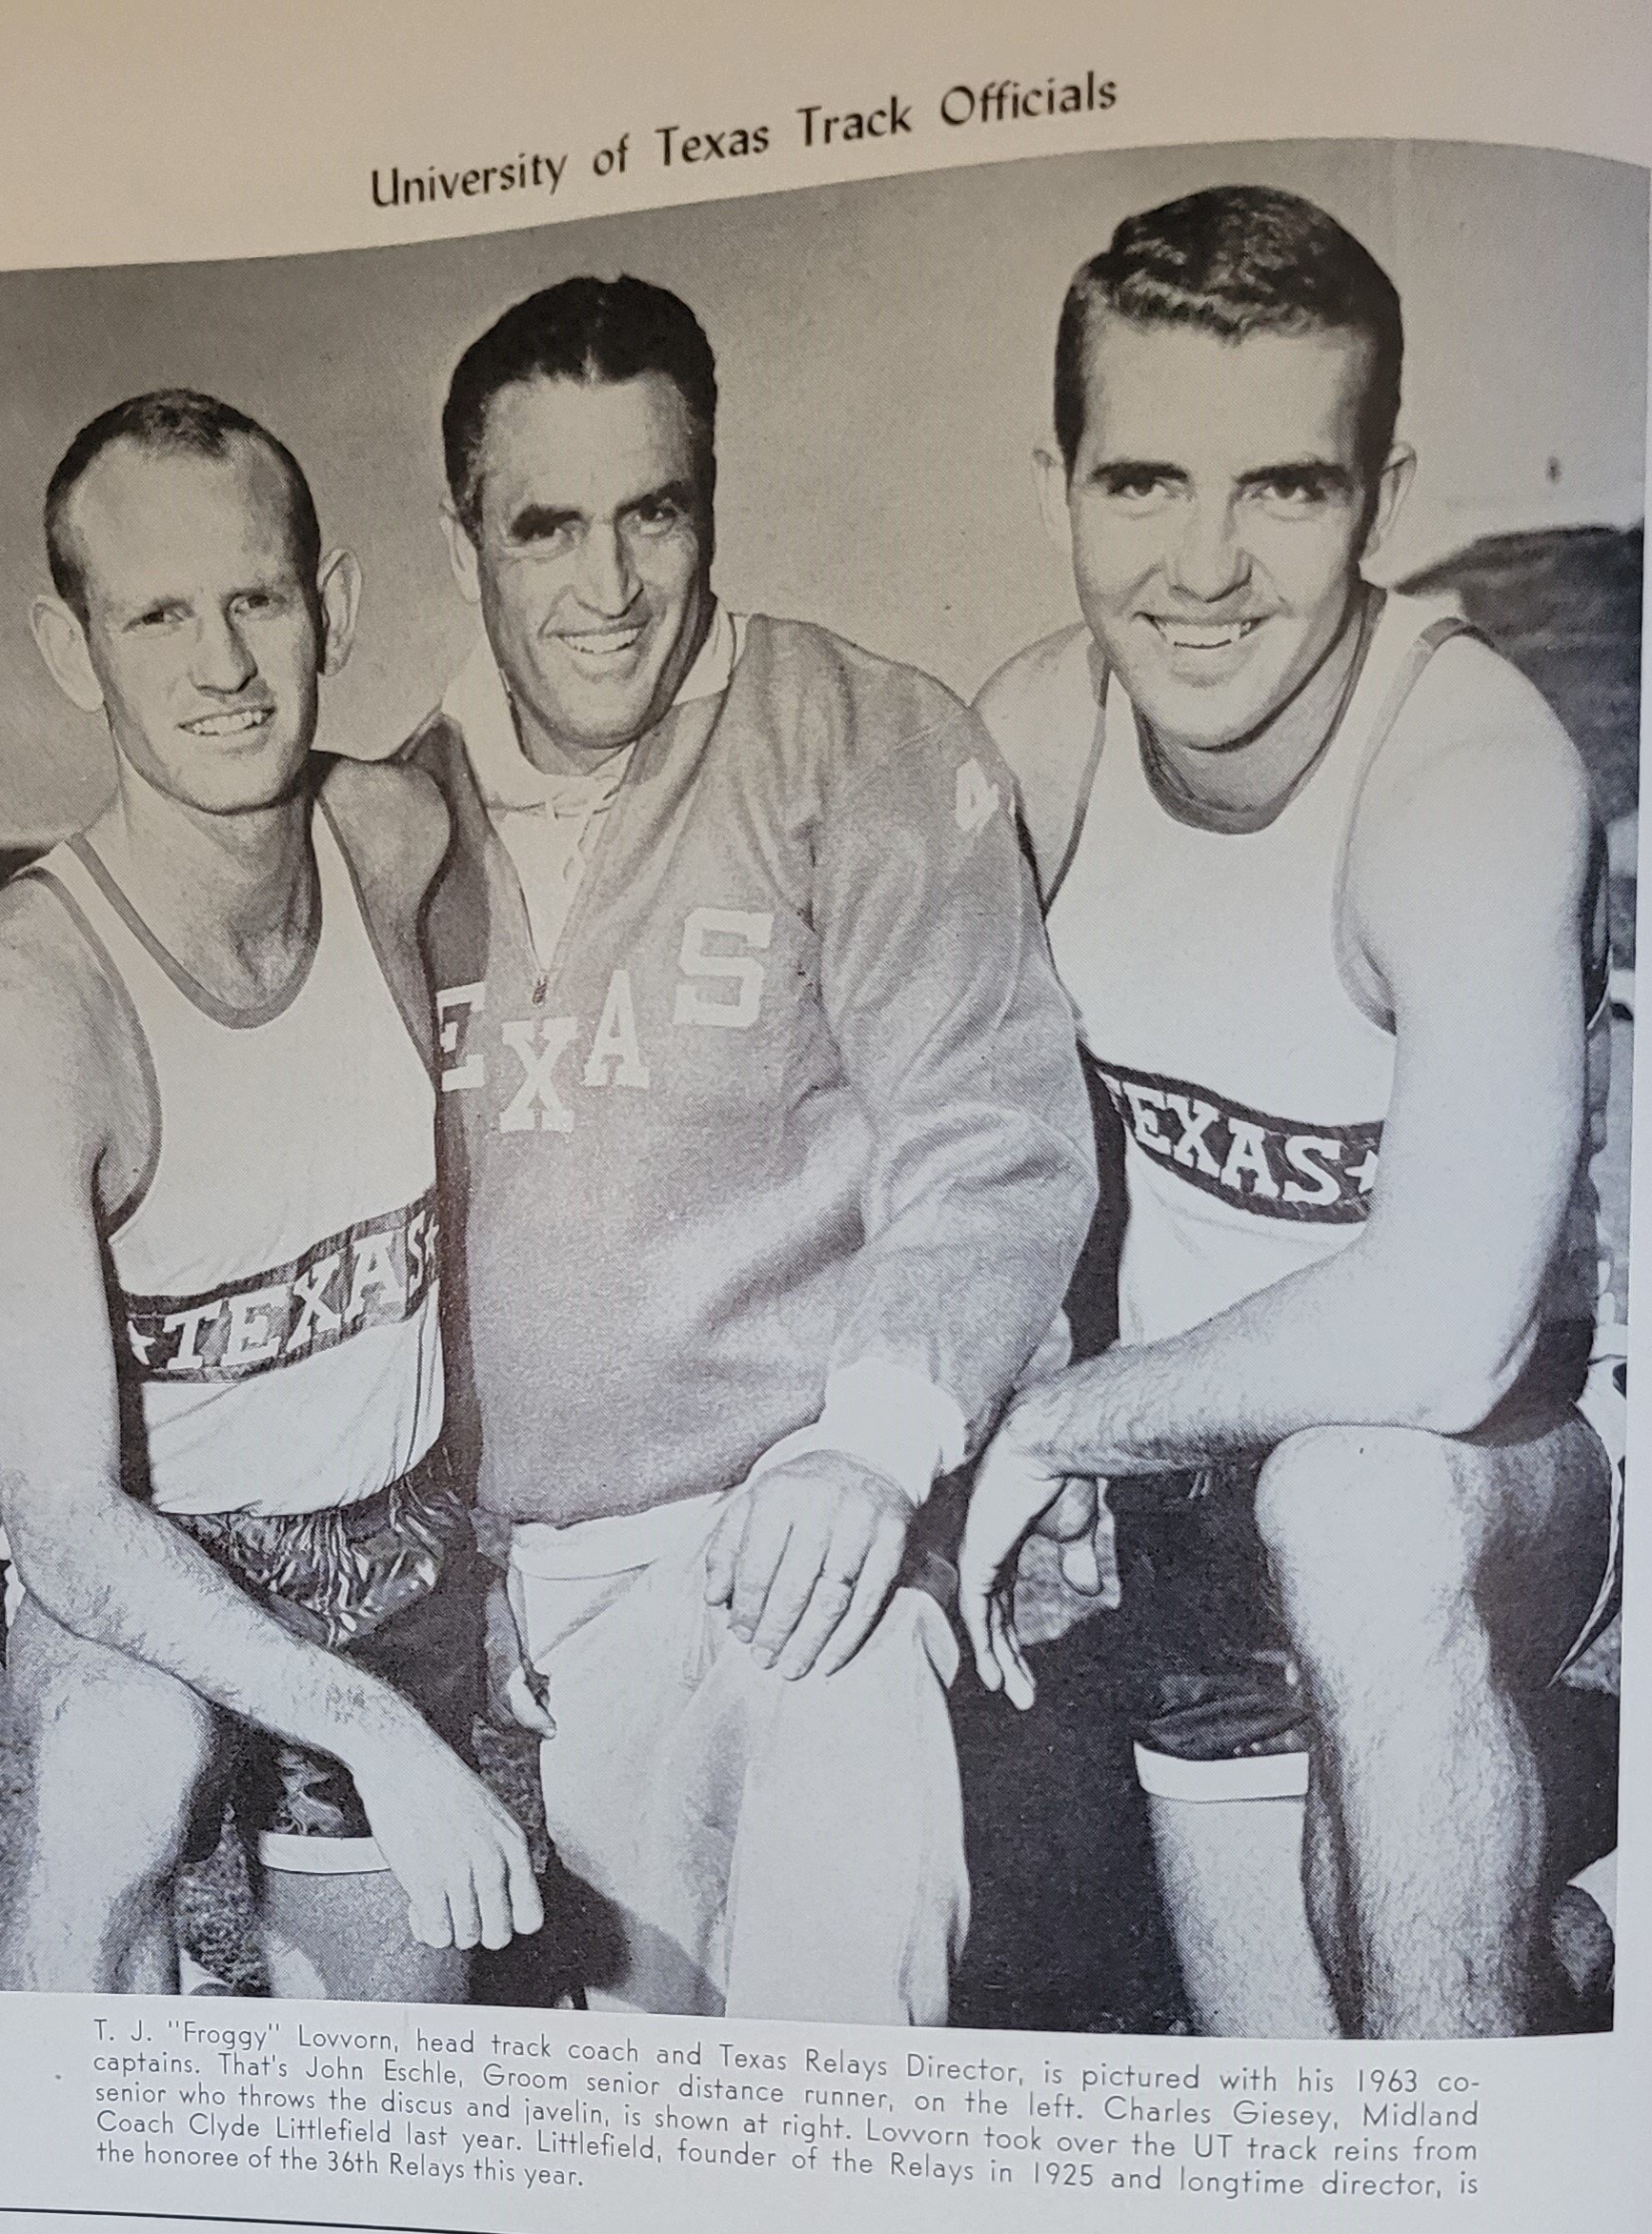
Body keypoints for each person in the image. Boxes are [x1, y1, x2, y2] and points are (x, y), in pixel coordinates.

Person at [961, 186, 1623, 2039]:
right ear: (1057, 486)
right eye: (1141, 483)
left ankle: (1472, 2140)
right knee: (1281, 2099)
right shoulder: (1027, 742)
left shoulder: (1465, 767)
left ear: (1379, 502)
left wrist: (1056, 1423)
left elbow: (1439, 1328)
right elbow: (917, 1146)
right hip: (1179, 1497)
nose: (1202, 566)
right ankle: (1529, 1967)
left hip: (1495, 1495)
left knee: (1347, 1502)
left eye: (1283, 487)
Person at [405, 274, 1094, 2023]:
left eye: (657, 510)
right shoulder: (389, 817)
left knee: (835, 2015)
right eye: (546, 525)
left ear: (712, 495)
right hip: (519, 1585)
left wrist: (869, 1459)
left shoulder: (864, 737)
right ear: (464, 533)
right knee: (627, 2090)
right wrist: (452, 1549)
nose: (610, 584)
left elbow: (991, 1139)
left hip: (797, 1525)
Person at [0, 391, 543, 1996]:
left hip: (390, 1537)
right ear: (75, 651)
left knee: (378, 2138)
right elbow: (63, 1516)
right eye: (156, 615)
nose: (220, 666)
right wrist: (372, 1729)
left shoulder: (392, 835)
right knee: (119, 1774)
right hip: (151, 1562)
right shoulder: (31, 997)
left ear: (329, 606)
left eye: (255, 600)